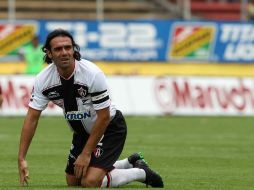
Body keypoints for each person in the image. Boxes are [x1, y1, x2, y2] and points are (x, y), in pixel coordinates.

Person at [18, 29, 163, 188]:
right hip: (81, 133)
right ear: (49, 53)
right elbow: (31, 118)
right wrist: (22, 158)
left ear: (74, 49)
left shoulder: (92, 74)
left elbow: (104, 117)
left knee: (90, 181)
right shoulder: (43, 80)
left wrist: (86, 154)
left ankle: (141, 172)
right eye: (58, 49)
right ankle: (129, 162)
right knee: (73, 181)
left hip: (109, 127)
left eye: (68, 47)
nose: (64, 52)